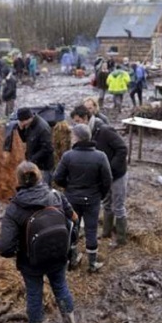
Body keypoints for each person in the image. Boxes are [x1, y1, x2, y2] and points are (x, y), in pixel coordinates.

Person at [0, 161, 78, 323]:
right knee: (60, 286)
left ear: (18, 180)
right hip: (58, 255)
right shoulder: (56, 196)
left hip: (30, 263)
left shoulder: (14, 208)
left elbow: (4, 247)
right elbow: (73, 218)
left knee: (34, 294)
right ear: (40, 176)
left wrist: (21, 250)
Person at [53, 124, 112, 272]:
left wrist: (68, 187)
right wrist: (100, 194)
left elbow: (57, 177)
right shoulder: (100, 156)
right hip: (92, 199)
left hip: (72, 198)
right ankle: (92, 264)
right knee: (91, 230)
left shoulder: (68, 156)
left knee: (73, 228)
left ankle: (72, 260)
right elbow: (107, 180)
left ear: (77, 138)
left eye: (73, 136)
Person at [70, 105, 128, 246]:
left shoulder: (104, 130)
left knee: (118, 206)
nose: (76, 125)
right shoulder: (87, 133)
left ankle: (121, 239)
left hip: (118, 174)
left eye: (78, 121)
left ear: (85, 118)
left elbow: (122, 148)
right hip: (104, 176)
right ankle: (106, 232)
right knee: (107, 204)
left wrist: (111, 168)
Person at [16, 107, 54, 184]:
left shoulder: (42, 128)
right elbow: (24, 139)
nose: (22, 124)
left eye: (22, 122)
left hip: (43, 166)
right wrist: (21, 129)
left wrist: (32, 160)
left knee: (43, 188)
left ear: (28, 119)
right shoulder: (30, 125)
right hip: (34, 164)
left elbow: (48, 148)